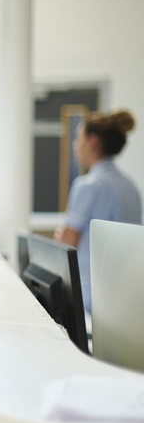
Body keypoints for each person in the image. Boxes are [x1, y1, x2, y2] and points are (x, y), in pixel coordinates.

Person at [54, 109, 142, 313]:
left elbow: (66, 242)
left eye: (78, 139)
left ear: (92, 142)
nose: (75, 146)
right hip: (127, 296)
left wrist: (61, 234)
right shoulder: (131, 187)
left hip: (90, 298)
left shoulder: (88, 185)